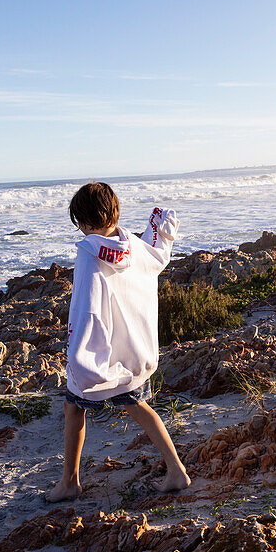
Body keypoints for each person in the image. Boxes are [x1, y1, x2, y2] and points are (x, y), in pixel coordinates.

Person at [46, 182, 191, 503]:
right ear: (115, 212)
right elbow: (158, 256)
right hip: (133, 350)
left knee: (73, 407)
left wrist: (79, 352)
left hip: (101, 354)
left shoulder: (89, 254)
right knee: (137, 405)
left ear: (82, 222)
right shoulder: (135, 246)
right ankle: (176, 470)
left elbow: (86, 307)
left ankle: (69, 482)